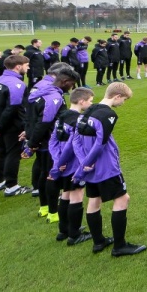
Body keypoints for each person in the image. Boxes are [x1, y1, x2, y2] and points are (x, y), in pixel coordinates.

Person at [73, 82, 147, 256]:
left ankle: (98, 242)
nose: (124, 103)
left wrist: (84, 162)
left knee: (94, 199)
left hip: (90, 167)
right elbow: (100, 143)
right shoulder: (108, 114)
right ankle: (120, 246)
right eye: (125, 100)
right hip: (106, 166)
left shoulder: (89, 110)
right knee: (123, 199)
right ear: (117, 97)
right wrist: (87, 162)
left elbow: (75, 139)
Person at [25, 67, 79, 224]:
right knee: (52, 176)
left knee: (43, 173)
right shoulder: (54, 97)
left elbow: (30, 118)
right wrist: (32, 143)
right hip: (49, 143)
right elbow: (44, 122)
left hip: (41, 141)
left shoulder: (41, 91)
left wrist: (30, 137)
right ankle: (53, 213)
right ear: (64, 81)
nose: (72, 87)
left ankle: (44, 207)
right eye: (71, 84)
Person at [50, 87, 94, 246]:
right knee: (77, 195)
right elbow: (71, 145)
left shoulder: (60, 118)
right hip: (73, 164)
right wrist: (61, 162)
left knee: (65, 194)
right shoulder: (78, 120)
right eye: (90, 101)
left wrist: (57, 162)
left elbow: (53, 142)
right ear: (82, 101)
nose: (91, 104)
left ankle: (64, 230)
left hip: (62, 164)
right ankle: (74, 234)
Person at [0, 54, 31, 196]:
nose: (28, 67)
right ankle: (11, 186)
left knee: (0, 151)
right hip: (12, 125)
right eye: (26, 65)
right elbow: (12, 108)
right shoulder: (17, 84)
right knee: (13, 154)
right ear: (18, 66)